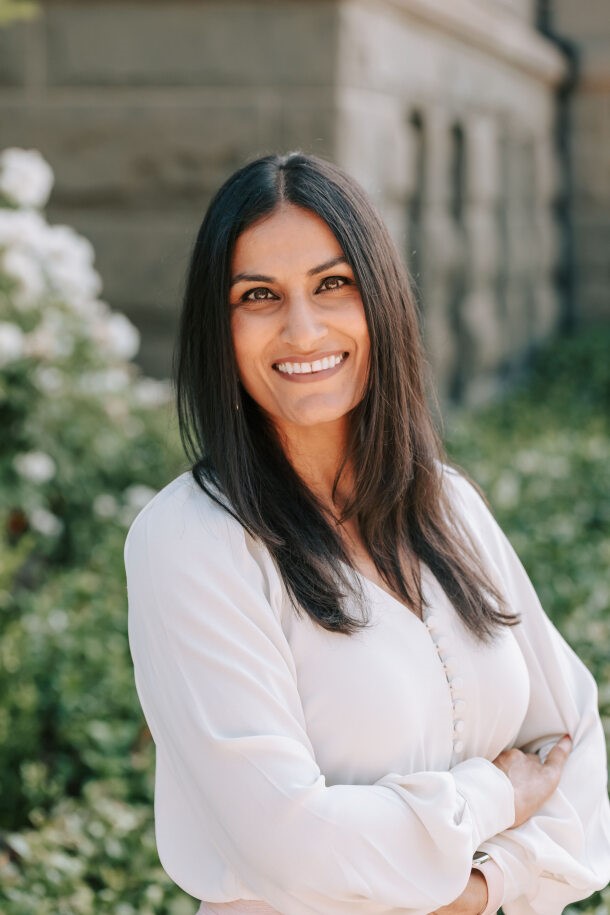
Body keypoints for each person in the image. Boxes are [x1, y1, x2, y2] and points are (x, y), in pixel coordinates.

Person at [124, 152, 610, 915]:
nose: (303, 327)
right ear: (220, 327)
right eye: (259, 295)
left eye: (333, 284)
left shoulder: (448, 505)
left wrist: (488, 887)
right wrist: (494, 794)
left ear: (379, 300)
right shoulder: (189, 543)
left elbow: (573, 748)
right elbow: (288, 845)